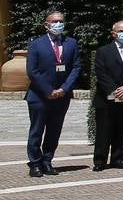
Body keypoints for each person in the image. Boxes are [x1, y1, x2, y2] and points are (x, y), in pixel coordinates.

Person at [25, 11, 81, 178]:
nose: (58, 24)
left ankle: (47, 161)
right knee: (37, 130)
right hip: (39, 96)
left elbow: (76, 67)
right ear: (46, 25)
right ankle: (34, 163)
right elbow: (32, 71)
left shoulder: (71, 43)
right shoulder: (36, 44)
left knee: (54, 130)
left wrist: (63, 89)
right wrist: (48, 91)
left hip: (62, 96)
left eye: (61, 21)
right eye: (54, 21)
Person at [93, 20, 123, 172]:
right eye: (121, 31)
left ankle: (117, 158)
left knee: (121, 129)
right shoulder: (103, 51)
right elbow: (101, 73)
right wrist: (114, 90)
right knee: (103, 130)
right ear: (113, 33)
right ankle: (100, 160)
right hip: (106, 99)